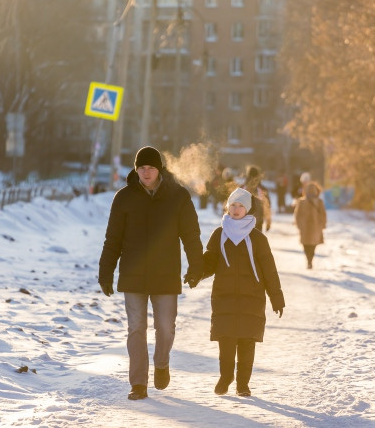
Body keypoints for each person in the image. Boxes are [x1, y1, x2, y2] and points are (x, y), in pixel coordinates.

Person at [98, 146, 205, 401]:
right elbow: (112, 238)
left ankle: (162, 362)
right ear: (136, 169)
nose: (146, 172)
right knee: (136, 328)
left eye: (151, 167)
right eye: (141, 167)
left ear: (160, 169)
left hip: (165, 273)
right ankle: (138, 383)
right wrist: (106, 270)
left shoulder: (178, 196)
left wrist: (196, 266)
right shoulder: (123, 198)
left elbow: (191, 235)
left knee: (165, 328)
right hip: (133, 273)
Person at [203, 188, 285, 396]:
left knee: (247, 342)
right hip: (224, 297)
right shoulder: (219, 234)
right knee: (226, 341)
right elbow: (210, 261)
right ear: (227, 207)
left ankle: (242, 384)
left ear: (247, 209)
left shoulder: (257, 238)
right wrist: (195, 274)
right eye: (232, 205)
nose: (236, 209)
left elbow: (269, 270)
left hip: (252, 298)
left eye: (240, 205)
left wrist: (276, 297)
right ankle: (226, 376)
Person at [294, 181, 327, 269]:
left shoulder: (301, 201)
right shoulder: (319, 201)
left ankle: (308, 259)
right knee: (313, 245)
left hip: (304, 227)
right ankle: (310, 260)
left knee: (305, 244)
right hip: (316, 227)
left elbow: (297, 214)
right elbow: (323, 214)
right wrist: (323, 224)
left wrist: (298, 224)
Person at [244, 165, 272, 232]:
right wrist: (268, 222)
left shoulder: (242, 188)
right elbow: (267, 207)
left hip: (244, 222)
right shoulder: (262, 189)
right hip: (257, 221)